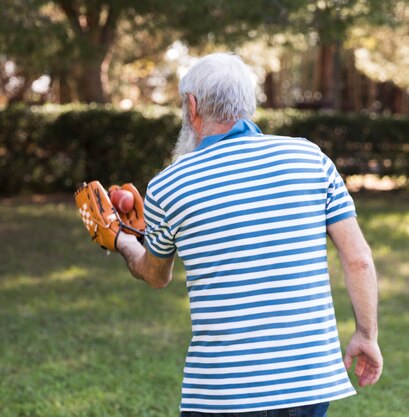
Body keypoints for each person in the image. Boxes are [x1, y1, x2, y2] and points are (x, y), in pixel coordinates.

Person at [115, 53, 382, 417]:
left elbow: (155, 274)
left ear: (192, 107)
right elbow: (359, 259)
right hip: (310, 383)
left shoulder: (169, 185)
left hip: (227, 392)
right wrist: (366, 335)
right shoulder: (310, 158)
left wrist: (122, 240)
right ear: (248, 105)